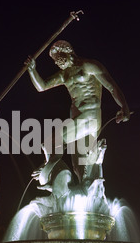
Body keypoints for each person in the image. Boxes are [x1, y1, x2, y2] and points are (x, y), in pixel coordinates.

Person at [25, 40, 130, 186]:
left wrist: (123, 106)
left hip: (89, 118)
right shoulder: (64, 75)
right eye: (55, 61)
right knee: (79, 166)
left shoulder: (89, 65)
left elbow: (111, 87)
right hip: (77, 121)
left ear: (67, 52)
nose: (56, 63)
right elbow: (42, 86)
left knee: (51, 143)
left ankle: (48, 170)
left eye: (58, 58)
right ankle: (83, 192)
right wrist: (32, 70)